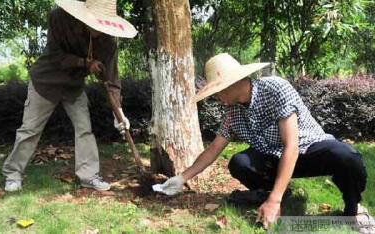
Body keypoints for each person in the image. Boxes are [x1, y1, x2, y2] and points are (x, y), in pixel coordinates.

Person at [155, 53, 370, 229]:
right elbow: (213, 149)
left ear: (229, 85)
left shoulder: (275, 88)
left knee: (347, 157)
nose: (215, 98)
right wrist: (181, 178)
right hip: (273, 158)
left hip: (307, 148)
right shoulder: (232, 112)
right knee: (239, 162)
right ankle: (275, 194)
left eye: (215, 92)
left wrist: (274, 200)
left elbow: (291, 146)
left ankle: (352, 210)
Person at [2, 0, 137, 192]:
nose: (99, 28)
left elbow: (112, 80)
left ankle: (89, 176)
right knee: (30, 129)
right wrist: (84, 63)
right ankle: (13, 174)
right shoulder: (59, 18)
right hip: (46, 82)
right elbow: (56, 55)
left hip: (73, 87)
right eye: (96, 21)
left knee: (84, 130)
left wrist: (119, 113)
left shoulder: (107, 43)